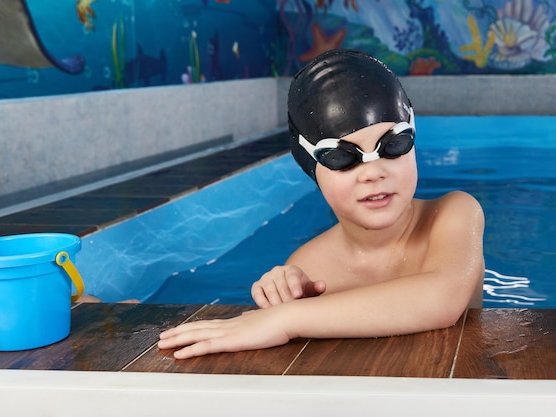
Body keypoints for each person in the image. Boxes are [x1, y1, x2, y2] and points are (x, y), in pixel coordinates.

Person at [158, 49, 485, 359]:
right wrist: (283, 301)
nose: (373, 173)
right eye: (342, 157)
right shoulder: (310, 267)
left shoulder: (454, 214)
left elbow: (442, 299)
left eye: (394, 144)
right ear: (311, 169)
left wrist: (288, 318)